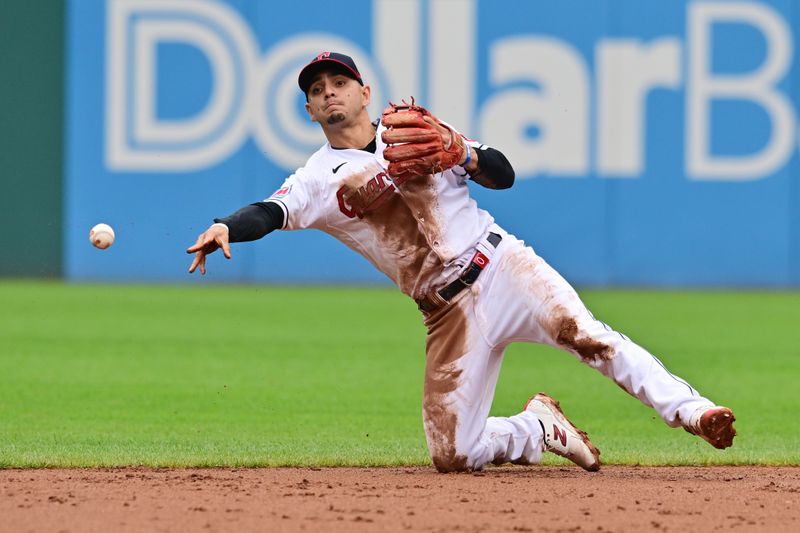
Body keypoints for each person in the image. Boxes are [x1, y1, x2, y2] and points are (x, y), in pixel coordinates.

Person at [187, 51, 736, 472]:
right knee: (454, 454)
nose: (329, 93)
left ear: (363, 92)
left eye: (339, 83)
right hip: (446, 314)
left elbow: (503, 173)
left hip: (503, 269)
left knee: (589, 336)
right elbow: (269, 211)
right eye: (317, 90)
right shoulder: (316, 178)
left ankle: (695, 412)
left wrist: (463, 151)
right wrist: (225, 226)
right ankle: (536, 429)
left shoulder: (413, 131)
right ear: (309, 110)